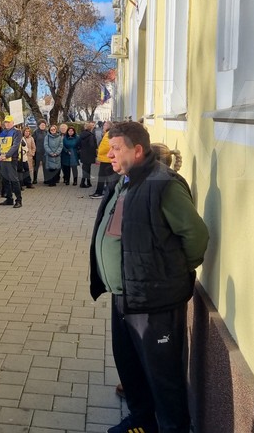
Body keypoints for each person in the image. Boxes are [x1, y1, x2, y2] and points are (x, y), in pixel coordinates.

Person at [89, 121, 209, 433]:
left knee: (162, 375)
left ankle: (172, 428)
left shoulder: (163, 184)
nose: (109, 154)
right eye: (110, 148)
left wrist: (170, 273)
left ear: (138, 150)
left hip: (154, 301)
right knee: (130, 365)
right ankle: (142, 421)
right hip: (124, 296)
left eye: (116, 149)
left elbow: (195, 236)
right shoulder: (124, 180)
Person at [0, 115, 22, 208]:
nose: (7, 124)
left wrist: (6, 155)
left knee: (14, 180)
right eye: (5, 122)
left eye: (8, 122)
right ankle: (9, 198)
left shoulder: (17, 132)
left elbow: (15, 146)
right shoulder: (3, 132)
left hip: (11, 159)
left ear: (13, 123)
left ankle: (18, 200)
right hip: (2, 159)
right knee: (5, 180)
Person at [90, 121, 118, 198]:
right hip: (107, 159)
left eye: (105, 125)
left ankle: (99, 193)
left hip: (106, 159)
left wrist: (99, 152)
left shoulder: (108, 134)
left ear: (108, 126)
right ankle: (108, 193)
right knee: (108, 177)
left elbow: (105, 146)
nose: (103, 126)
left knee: (102, 177)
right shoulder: (109, 133)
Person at [78, 121, 98, 188]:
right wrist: (95, 154)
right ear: (91, 128)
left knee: (86, 168)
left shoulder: (81, 134)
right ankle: (82, 183)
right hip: (89, 154)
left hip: (83, 153)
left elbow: (79, 144)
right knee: (87, 169)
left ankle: (88, 182)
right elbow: (92, 146)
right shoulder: (91, 135)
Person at [31, 120, 47, 184]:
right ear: (39, 125)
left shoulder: (47, 132)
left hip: (45, 152)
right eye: (41, 125)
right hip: (37, 152)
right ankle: (35, 179)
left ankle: (46, 179)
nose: (43, 126)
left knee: (45, 167)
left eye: (44, 125)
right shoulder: (35, 132)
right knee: (36, 166)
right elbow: (33, 142)